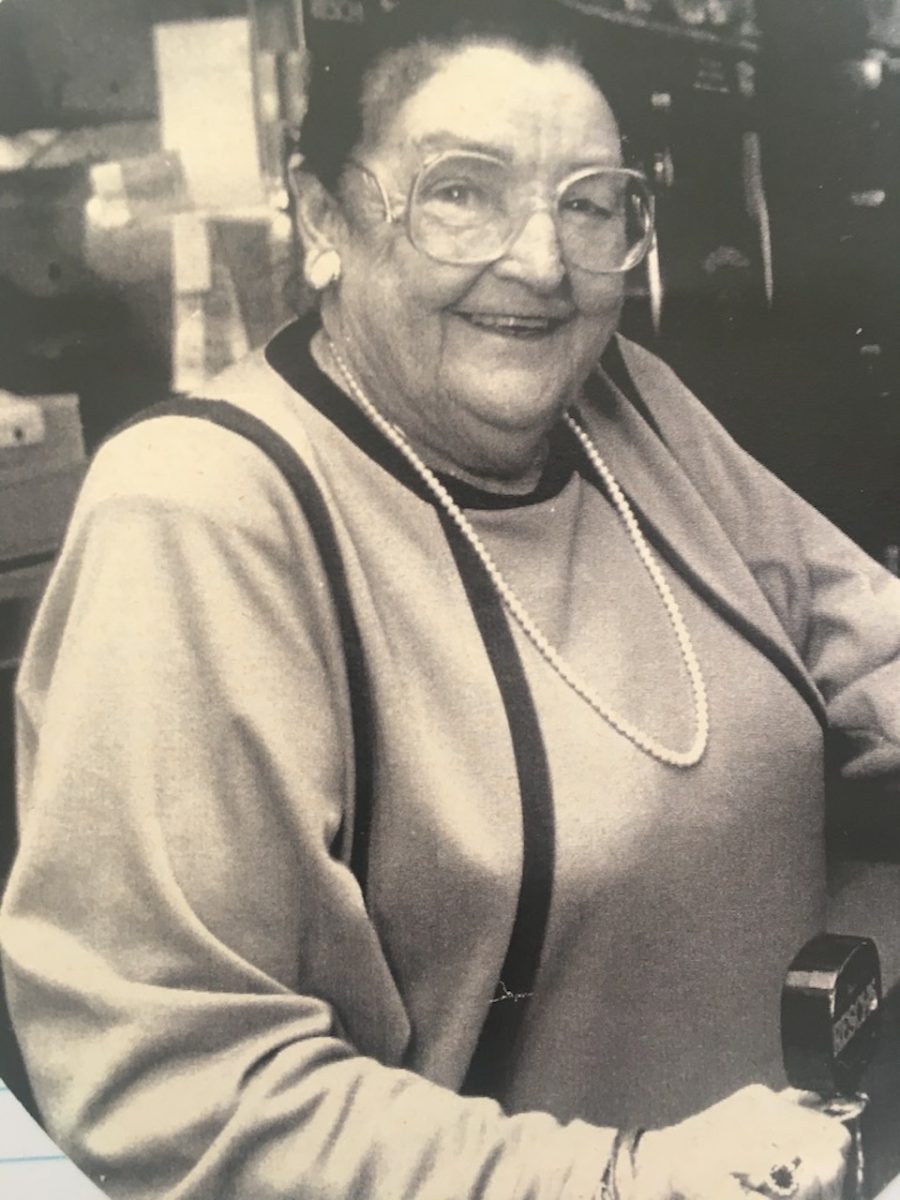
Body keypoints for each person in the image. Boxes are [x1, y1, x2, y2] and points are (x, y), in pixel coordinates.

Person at [1, 2, 897, 1197]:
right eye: (462, 191)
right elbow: (176, 1081)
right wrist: (635, 1179)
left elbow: (863, 644)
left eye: (589, 203)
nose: (539, 260)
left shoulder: (621, 397)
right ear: (324, 218)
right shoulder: (201, 509)